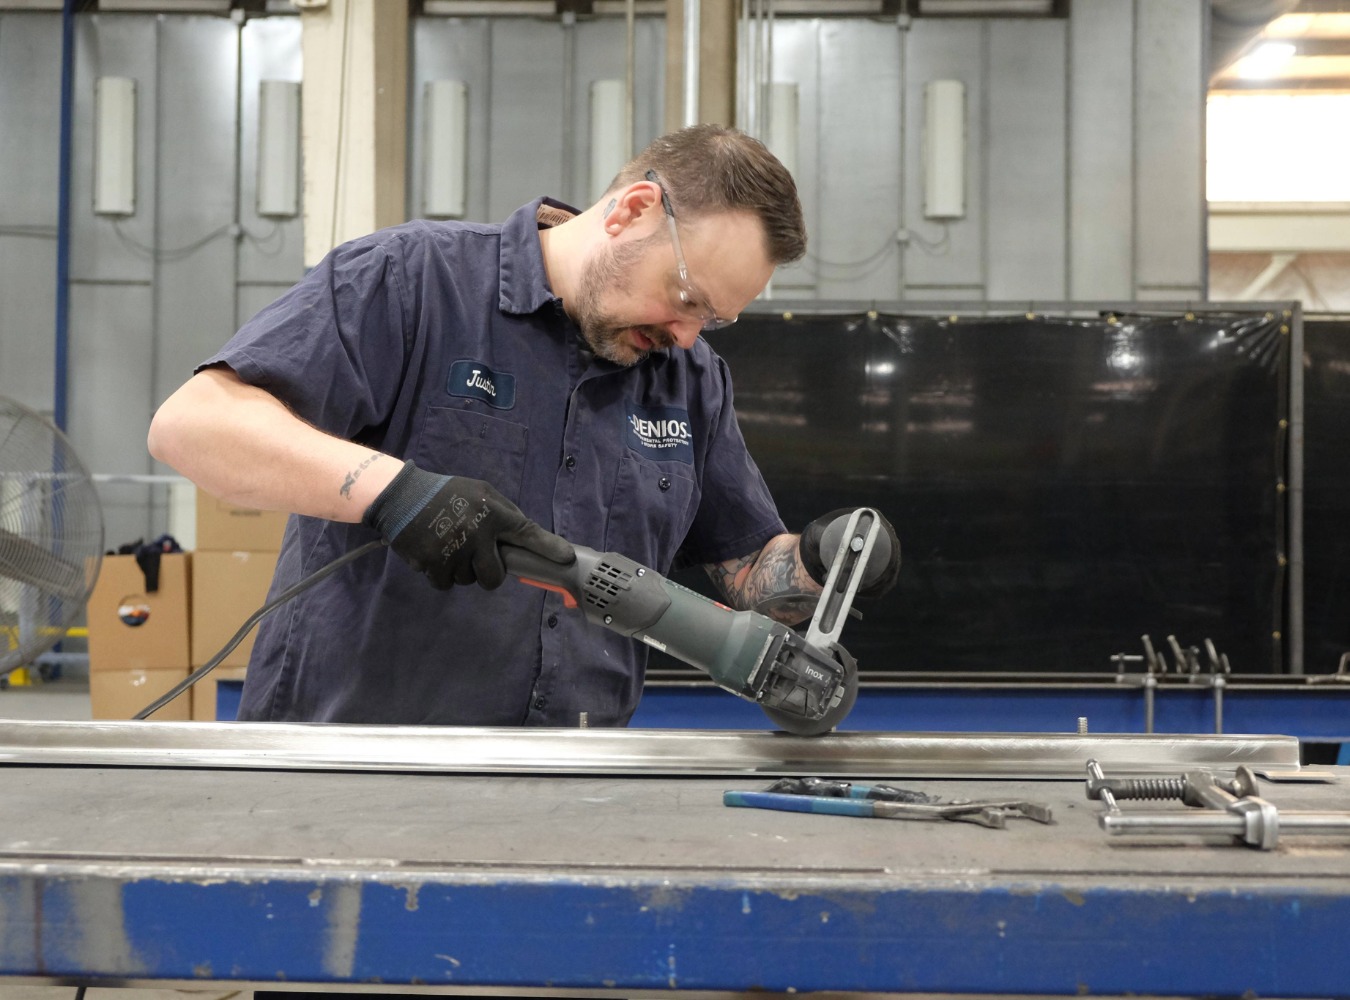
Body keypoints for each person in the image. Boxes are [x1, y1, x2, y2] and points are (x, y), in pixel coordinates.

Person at [148, 124, 898, 727]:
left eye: (715, 319)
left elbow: (749, 578)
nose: (687, 335)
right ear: (632, 211)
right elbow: (194, 425)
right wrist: (395, 493)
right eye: (686, 297)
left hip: (573, 788)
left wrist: (822, 561)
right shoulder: (411, 282)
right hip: (355, 768)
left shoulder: (689, 378)